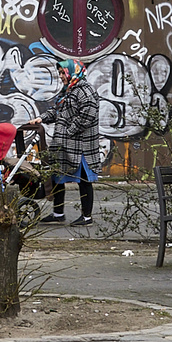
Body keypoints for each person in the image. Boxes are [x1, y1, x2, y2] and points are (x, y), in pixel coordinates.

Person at [27, 59, 101, 226]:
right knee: (57, 176)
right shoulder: (69, 89)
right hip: (64, 143)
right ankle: (58, 213)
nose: (61, 76)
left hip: (81, 145)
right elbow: (57, 110)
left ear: (73, 72)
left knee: (84, 179)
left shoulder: (85, 91)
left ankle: (87, 217)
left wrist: (69, 131)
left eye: (63, 73)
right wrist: (42, 118)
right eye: (60, 73)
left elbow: (87, 115)